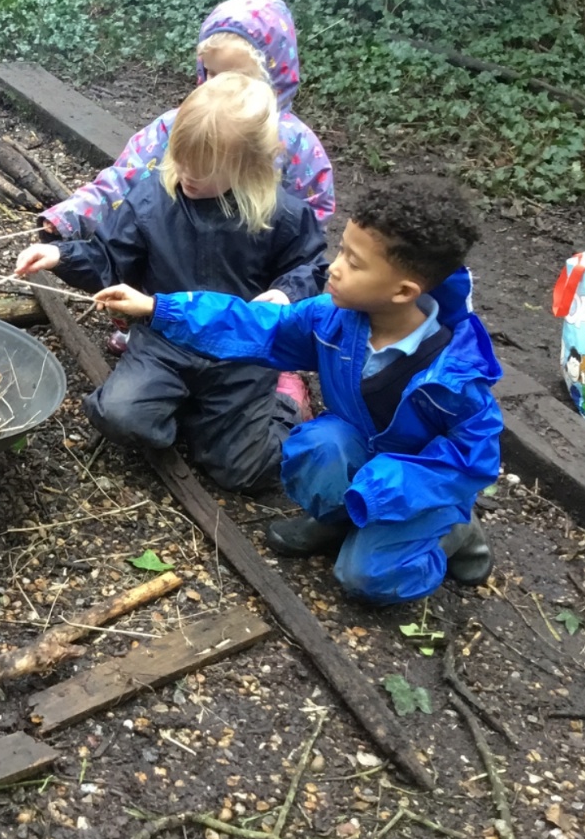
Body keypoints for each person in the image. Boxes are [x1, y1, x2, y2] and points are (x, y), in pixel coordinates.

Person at [139, 177, 500, 604]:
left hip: (416, 485)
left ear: (403, 292)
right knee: (320, 445)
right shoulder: (334, 318)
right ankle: (338, 519)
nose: (334, 267)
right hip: (365, 456)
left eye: (354, 263)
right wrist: (158, 308)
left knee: (366, 579)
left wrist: (384, 487)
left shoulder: (456, 374)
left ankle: (453, 531)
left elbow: (474, 460)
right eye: (341, 250)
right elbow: (258, 325)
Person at [15, 73, 328, 493]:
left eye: (203, 171)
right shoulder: (152, 200)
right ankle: (197, 413)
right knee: (119, 416)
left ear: (247, 165)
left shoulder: (281, 214)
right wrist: (61, 255)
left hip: (240, 353)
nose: (186, 175)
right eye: (180, 160)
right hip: (165, 344)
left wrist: (287, 292)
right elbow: (110, 258)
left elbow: (309, 265)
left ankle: (284, 401)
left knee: (243, 471)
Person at [41, 0, 335, 239]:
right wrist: (71, 216)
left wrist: (286, 280)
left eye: (236, 77)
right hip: (170, 266)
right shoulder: (182, 124)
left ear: (273, 76)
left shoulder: (293, 144)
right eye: (212, 73)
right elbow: (125, 180)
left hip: (247, 282)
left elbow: (310, 226)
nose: (219, 86)